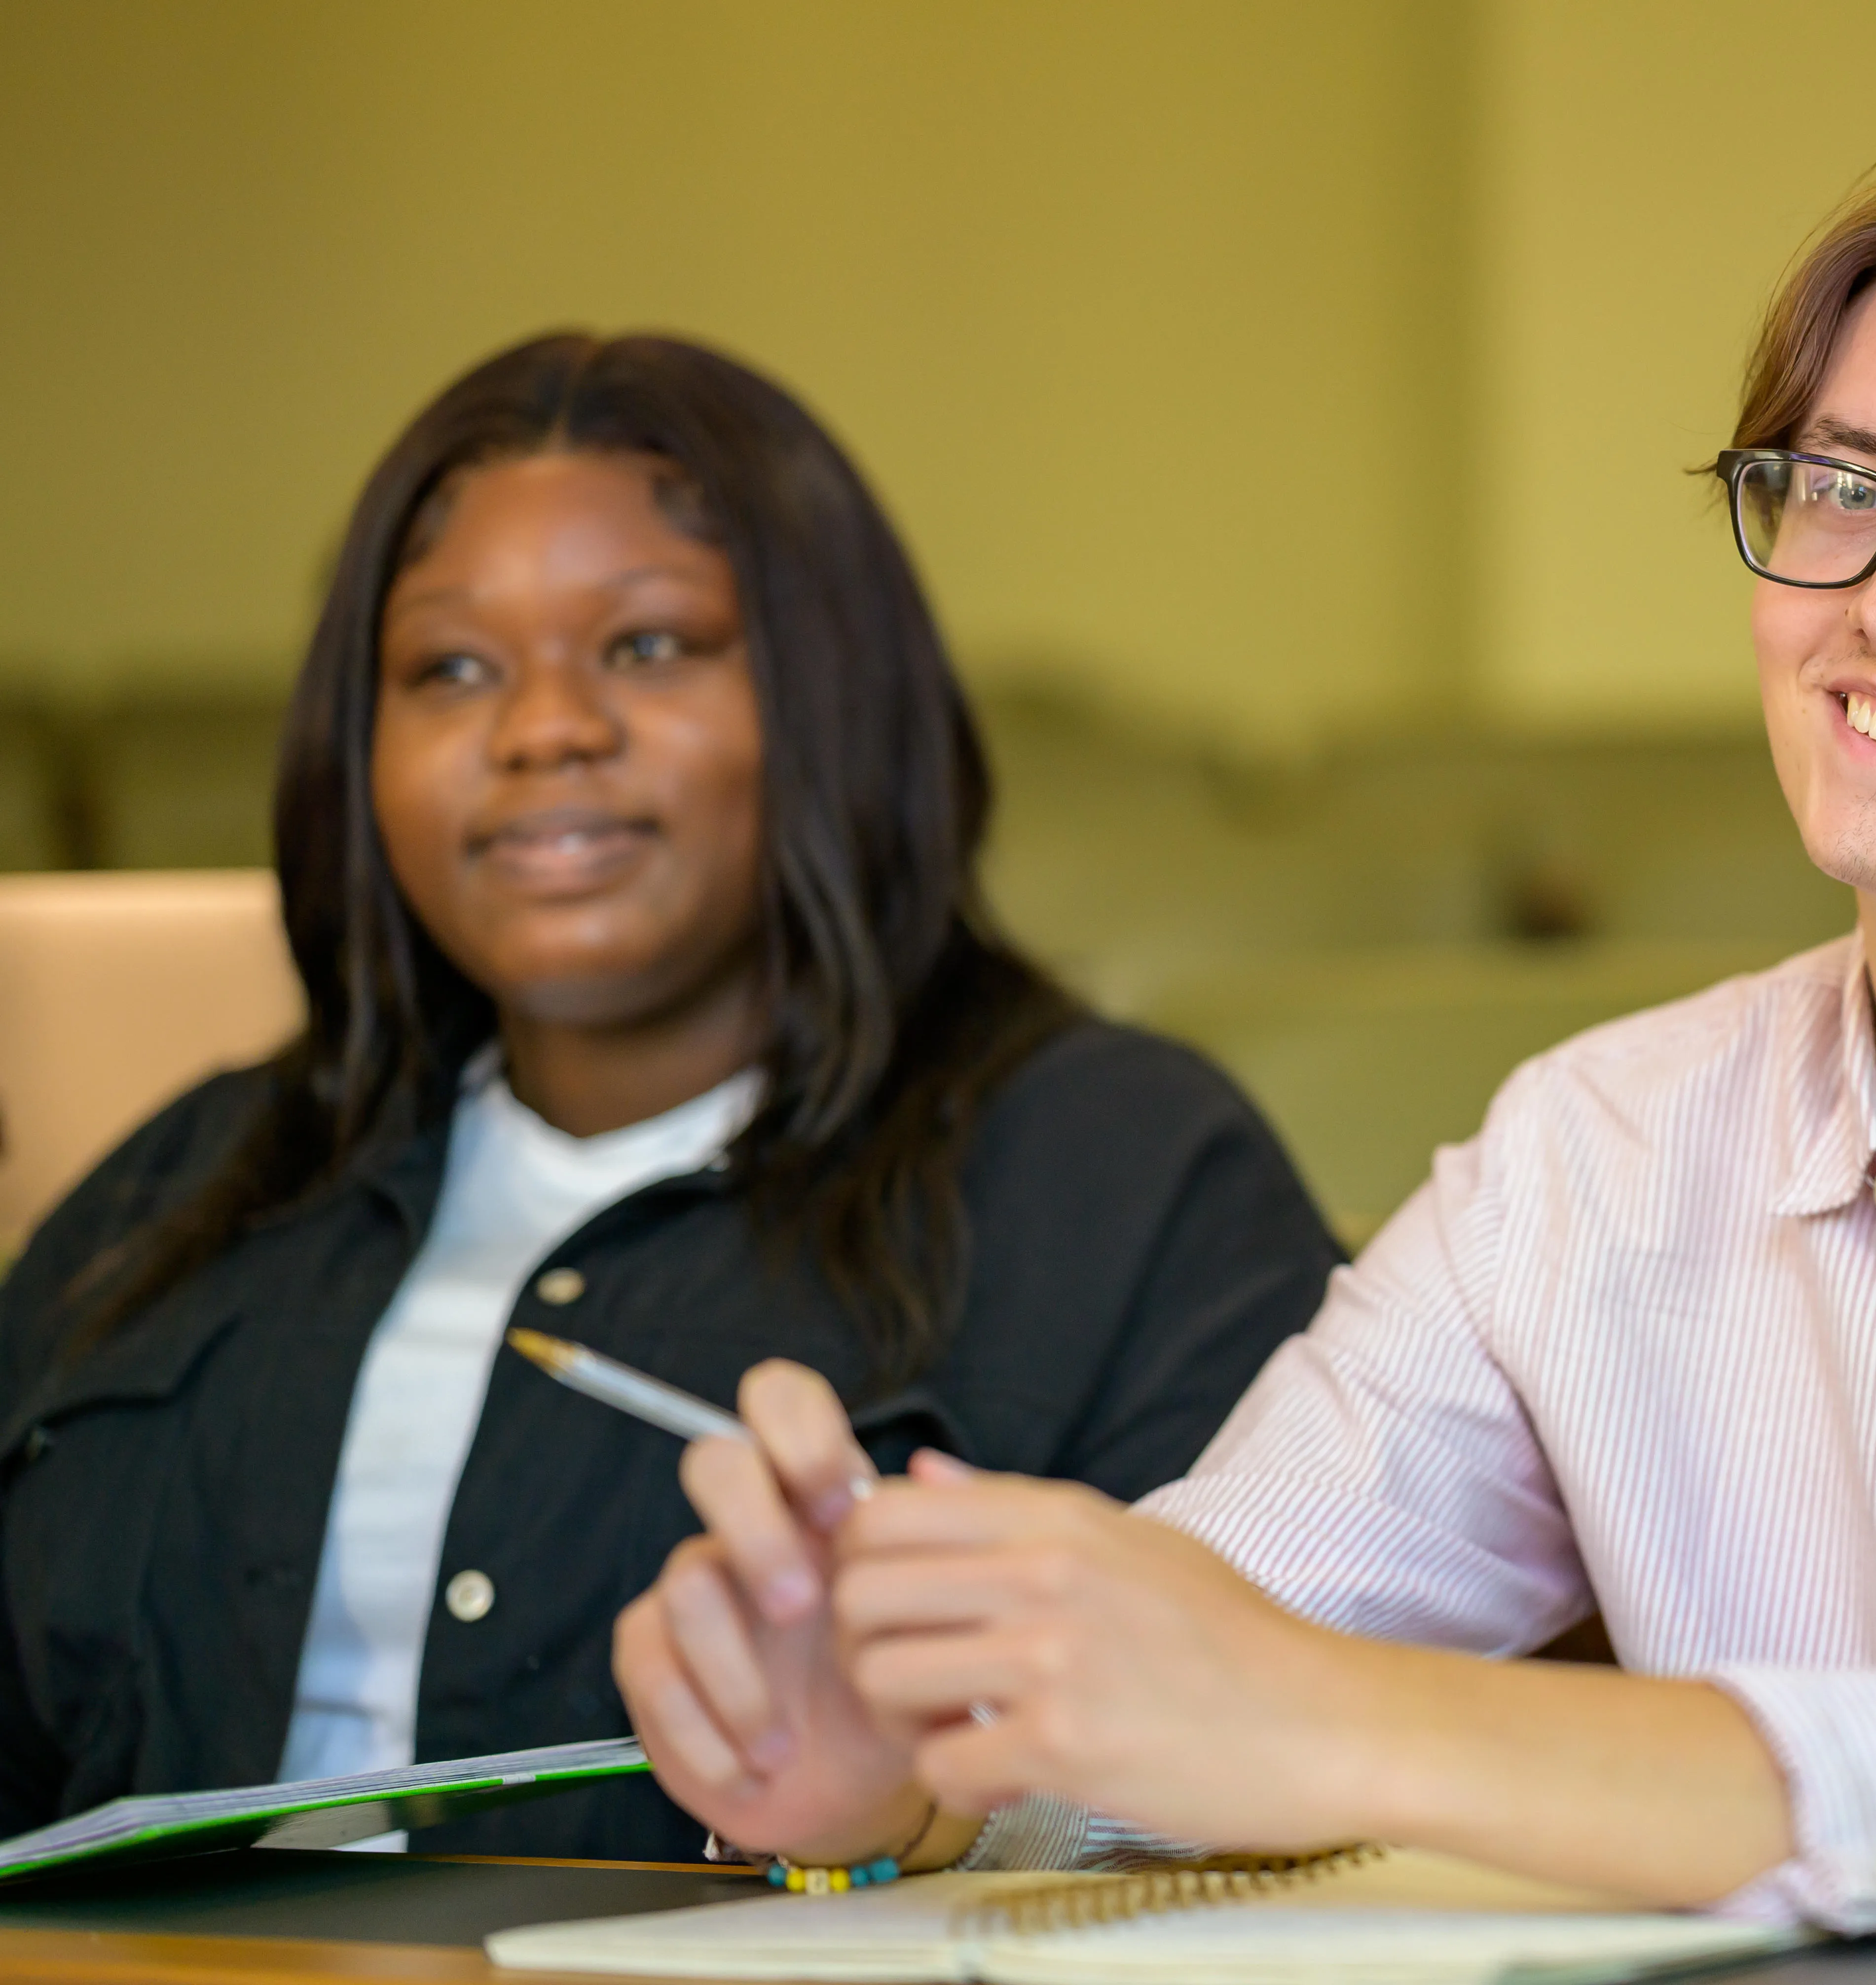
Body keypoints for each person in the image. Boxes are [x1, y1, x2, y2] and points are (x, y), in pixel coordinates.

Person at [616, 124, 1876, 1971]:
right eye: (1843, 490)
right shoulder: (1597, 1151)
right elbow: (1188, 1691)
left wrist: (1365, 1723)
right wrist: (905, 1756)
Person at [0, 333, 1341, 1860]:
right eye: (449, 669)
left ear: (838, 698)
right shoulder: (182, 1184)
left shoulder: (1123, 1174)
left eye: (647, 646)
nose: (542, 729)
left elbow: (1258, 1774)